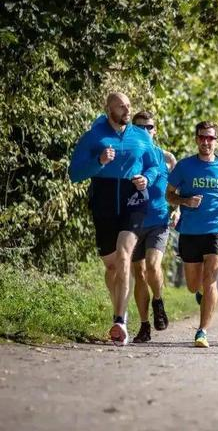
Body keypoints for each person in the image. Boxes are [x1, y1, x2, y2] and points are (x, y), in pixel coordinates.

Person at [69, 92, 159, 346]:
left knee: (123, 255)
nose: (127, 109)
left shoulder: (141, 136)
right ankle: (119, 308)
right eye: (121, 106)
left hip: (134, 201)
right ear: (108, 108)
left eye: (129, 105)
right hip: (104, 203)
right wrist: (98, 161)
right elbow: (74, 172)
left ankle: (120, 320)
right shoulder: (94, 136)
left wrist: (147, 179)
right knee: (111, 267)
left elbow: (155, 166)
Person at [165, 121, 218, 348]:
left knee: (211, 279)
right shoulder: (184, 166)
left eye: (211, 138)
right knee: (194, 285)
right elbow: (169, 195)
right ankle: (201, 294)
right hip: (190, 230)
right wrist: (185, 201)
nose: (206, 141)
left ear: (217, 141)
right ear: (196, 139)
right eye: (202, 137)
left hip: (216, 229)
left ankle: (202, 331)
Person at [130, 111, 179, 343]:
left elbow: (176, 190)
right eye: (139, 127)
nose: (145, 131)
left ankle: (158, 300)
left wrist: (178, 209)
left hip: (158, 221)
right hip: (131, 223)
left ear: (155, 130)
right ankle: (144, 325)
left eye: (149, 127)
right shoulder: (127, 156)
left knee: (152, 266)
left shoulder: (167, 158)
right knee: (138, 274)